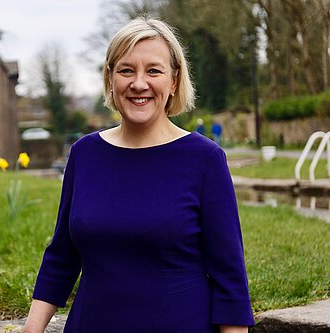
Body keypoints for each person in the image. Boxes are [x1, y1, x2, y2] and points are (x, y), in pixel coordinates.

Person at [24, 17, 254, 333]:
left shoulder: (204, 159)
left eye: (154, 71)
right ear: (110, 78)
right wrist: (31, 329)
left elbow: (230, 280)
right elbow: (62, 256)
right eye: (126, 70)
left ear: (174, 81)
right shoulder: (84, 154)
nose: (139, 83)